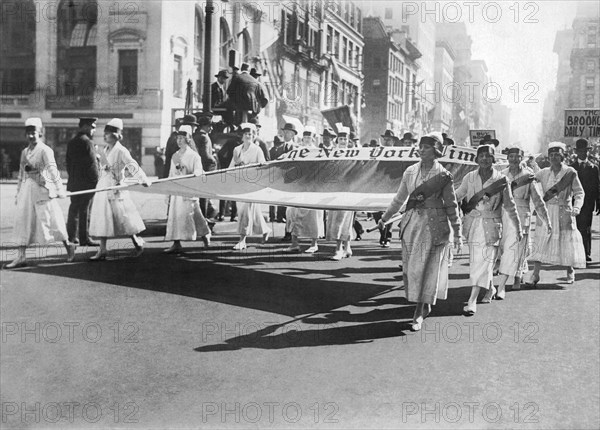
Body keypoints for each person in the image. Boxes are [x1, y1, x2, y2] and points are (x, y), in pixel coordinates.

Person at [379, 133, 462, 330]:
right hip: (412, 225)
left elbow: (452, 205)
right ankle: (422, 304)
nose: (421, 149)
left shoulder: (443, 176)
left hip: (434, 227)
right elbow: (399, 199)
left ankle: (419, 310)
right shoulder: (410, 171)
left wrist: (457, 232)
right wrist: (385, 218)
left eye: (426, 147)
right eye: (420, 146)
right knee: (411, 269)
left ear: (436, 150)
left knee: (427, 268)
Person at [455, 144, 522, 315]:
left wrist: (518, 226)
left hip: (491, 226)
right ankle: (490, 288)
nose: (484, 158)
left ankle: (472, 300)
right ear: (476, 159)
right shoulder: (469, 177)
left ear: (494, 159)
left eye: (488, 156)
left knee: (484, 261)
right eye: (481, 156)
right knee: (478, 261)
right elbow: (457, 195)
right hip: (472, 225)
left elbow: (510, 206)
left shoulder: (501, 180)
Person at [5, 118, 76, 268]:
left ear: (40, 133)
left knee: (52, 221)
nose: (31, 136)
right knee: (23, 221)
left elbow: (53, 170)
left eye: (34, 133)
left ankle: (68, 246)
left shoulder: (45, 150)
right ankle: (21, 256)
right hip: (27, 191)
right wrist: (18, 193)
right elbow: (21, 174)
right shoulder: (25, 152)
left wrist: (60, 189)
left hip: (43, 190)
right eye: (29, 133)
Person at [88, 118, 152, 261]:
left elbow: (132, 165)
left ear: (116, 135)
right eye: (104, 133)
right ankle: (102, 249)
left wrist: (143, 179)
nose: (105, 136)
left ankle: (136, 240)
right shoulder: (104, 150)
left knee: (124, 218)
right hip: (103, 186)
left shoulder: (121, 150)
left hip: (116, 187)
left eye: (108, 133)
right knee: (102, 217)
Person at [496, 147, 551, 298]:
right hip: (505, 214)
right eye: (511, 156)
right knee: (506, 248)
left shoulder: (528, 176)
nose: (514, 159)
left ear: (522, 158)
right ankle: (506, 276)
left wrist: (546, 220)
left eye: (517, 156)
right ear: (507, 158)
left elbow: (538, 201)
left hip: (522, 214)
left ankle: (517, 277)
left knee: (520, 248)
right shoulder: (501, 175)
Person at [528, 142, 586, 284]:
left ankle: (570, 271)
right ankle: (535, 275)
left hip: (564, 212)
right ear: (548, 157)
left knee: (567, 242)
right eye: (551, 155)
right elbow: (531, 181)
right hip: (546, 213)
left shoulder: (570, 172)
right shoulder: (543, 173)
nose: (554, 158)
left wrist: (577, 207)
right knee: (541, 241)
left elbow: (579, 193)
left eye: (557, 155)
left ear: (562, 157)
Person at [164, 125, 211, 253]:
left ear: (188, 139)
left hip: (188, 190)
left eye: (182, 138)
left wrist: (194, 174)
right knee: (175, 216)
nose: (179, 141)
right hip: (176, 191)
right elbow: (171, 174)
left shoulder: (194, 156)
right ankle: (176, 242)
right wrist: (168, 190)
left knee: (194, 215)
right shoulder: (175, 155)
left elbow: (199, 171)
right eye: (177, 138)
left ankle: (205, 234)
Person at [229, 123, 271, 250]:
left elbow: (263, 166)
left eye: (251, 134)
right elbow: (231, 167)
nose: (248, 136)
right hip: (240, 185)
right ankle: (265, 230)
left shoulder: (257, 150)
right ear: (242, 136)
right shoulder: (237, 150)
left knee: (245, 212)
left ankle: (242, 240)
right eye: (246, 134)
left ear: (254, 136)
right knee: (252, 212)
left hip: (252, 186)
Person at [284, 126, 323, 253]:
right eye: (305, 137)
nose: (307, 139)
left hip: (313, 187)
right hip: (298, 186)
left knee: (313, 215)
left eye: (309, 137)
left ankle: (314, 243)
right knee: (294, 213)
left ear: (313, 138)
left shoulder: (318, 152)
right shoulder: (297, 150)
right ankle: (294, 243)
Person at [66, 117, 100, 247]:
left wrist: (73, 177)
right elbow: (92, 165)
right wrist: (95, 180)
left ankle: (72, 237)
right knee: (85, 210)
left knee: (74, 209)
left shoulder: (72, 142)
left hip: (75, 181)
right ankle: (84, 238)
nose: (94, 129)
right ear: (84, 126)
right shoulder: (88, 142)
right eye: (92, 126)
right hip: (87, 183)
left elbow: (68, 163)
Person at [327, 128, 355, 261]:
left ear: (348, 140)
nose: (343, 141)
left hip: (348, 190)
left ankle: (340, 248)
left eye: (345, 139)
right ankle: (345, 247)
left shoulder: (353, 153)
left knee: (344, 219)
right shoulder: (332, 153)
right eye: (341, 139)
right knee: (336, 219)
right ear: (337, 140)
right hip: (335, 190)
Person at [571, 138, 600, 263]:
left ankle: (586, 253)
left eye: (585, 151)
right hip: (574, 202)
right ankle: (574, 253)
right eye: (580, 151)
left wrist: (598, 202)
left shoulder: (594, 167)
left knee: (586, 228)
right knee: (575, 227)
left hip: (588, 203)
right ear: (576, 152)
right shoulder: (571, 168)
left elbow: (597, 186)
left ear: (588, 152)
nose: (583, 153)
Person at [269, 123, 296, 225]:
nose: (285, 134)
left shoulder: (297, 148)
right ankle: (280, 217)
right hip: (280, 177)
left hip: (292, 178)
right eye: (285, 132)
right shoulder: (279, 148)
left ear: (293, 135)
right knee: (281, 198)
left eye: (288, 132)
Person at [193, 114, 218, 221]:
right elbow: (205, 155)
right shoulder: (204, 137)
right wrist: (214, 161)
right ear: (204, 126)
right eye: (209, 126)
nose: (211, 128)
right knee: (205, 195)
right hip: (206, 168)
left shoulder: (195, 135)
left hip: (197, 168)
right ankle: (204, 217)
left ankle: (201, 216)